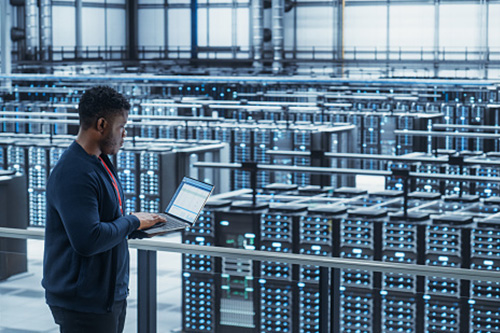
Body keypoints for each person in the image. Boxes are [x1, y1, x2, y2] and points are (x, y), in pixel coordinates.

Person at [42, 86, 165, 333]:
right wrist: (132, 221)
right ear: (101, 125)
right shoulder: (75, 172)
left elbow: (108, 221)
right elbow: (88, 240)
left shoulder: (100, 163)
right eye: (121, 127)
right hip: (83, 303)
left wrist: (144, 226)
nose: (125, 134)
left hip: (107, 296)